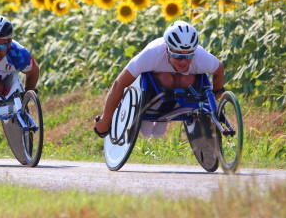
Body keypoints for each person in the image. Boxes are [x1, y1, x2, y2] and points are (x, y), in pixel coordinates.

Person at [93, 20, 225, 138]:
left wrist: (217, 91)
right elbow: (119, 85)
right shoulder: (151, 54)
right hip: (153, 90)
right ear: (167, 49)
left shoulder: (201, 58)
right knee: (148, 130)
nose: (183, 61)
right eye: (177, 55)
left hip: (181, 94)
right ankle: (152, 110)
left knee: (187, 80)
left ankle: (167, 111)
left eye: (189, 55)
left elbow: (219, 69)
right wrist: (105, 120)